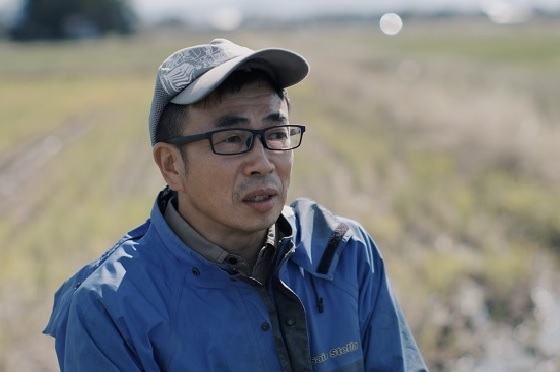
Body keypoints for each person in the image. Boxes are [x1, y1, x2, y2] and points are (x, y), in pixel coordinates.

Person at [44, 38, 427, 371]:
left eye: (275, 133)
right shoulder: (110, 308)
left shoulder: (341, 254)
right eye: (231, 138)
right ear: (171, 165)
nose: (263, 163)